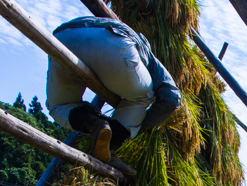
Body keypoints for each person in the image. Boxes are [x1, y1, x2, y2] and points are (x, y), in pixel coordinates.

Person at [46, 16, 182, 176]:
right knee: (142, 98)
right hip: (115, 42)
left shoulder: (105, 22)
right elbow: (172, 97)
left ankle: (95, 123)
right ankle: (110, 147)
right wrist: (141, 125)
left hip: (63, 36)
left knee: (59, 106)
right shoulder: (149, 55)